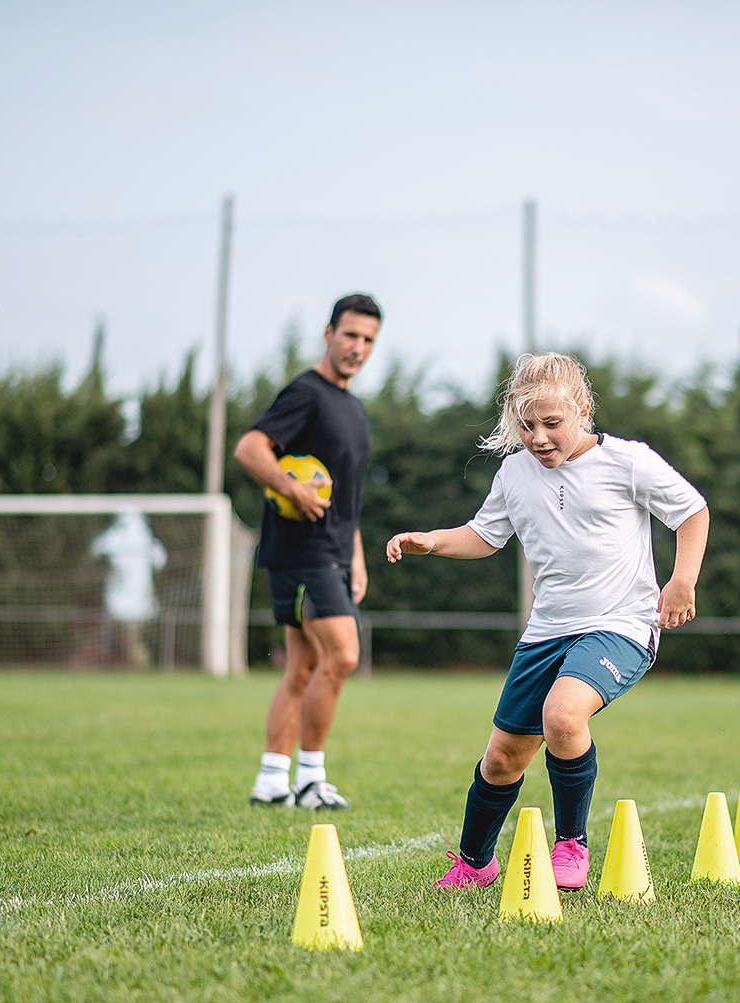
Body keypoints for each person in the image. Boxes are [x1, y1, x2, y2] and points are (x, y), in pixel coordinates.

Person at [385, 353, 709, 891]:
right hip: (546, 631)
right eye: (526, 425)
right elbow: (485, 535)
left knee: (563, 714)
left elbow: (692, 511)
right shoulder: (514, 473)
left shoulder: (627, 461)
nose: (538, 438)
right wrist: (432, 541)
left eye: (551, 423)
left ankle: (571, 845)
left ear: (583, 411)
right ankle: (475, 865)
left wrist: (682, 580)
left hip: (620, 625)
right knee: (501, 760)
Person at [233, 294, 381, 809]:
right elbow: (250, 448)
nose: (357, 347)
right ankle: (311, 779)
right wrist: (290, 488)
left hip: (334, 553)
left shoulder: (353, 408)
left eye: (368, 340)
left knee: (302, 668)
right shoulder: (306, 393)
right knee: (343, 655)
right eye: (350, 335)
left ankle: (272, 780)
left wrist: (355, 555)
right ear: (328, 333)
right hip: (302, 553)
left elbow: (347, 497)